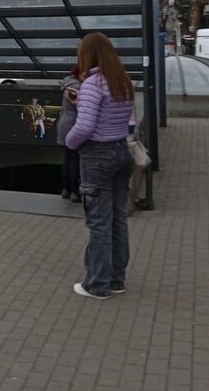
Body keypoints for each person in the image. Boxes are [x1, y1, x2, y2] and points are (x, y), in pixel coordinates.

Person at [65, 32, 135, 300]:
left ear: (87, 55)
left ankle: (97, 284)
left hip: (97, 157)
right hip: (121, 151)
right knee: (118, 220)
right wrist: (81, 100)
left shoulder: (93, 84)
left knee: (99, 223)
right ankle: (116, 279)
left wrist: (70, 143)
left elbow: (84, 127)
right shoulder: (121, 81)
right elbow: (116, 115)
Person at [56, 65, 82, 202]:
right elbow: (81, 106)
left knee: (67, 157)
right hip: (74, 123)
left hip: (63, 122)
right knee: (75, 158)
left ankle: (65, 189)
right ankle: (74, 191)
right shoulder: (77, 87)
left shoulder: (67, 83)